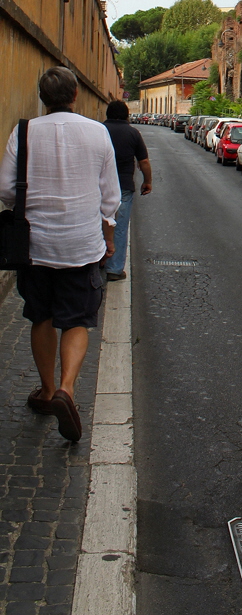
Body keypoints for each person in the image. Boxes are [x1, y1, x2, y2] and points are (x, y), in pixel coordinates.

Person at [0, 67, 120, 442]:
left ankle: (48, 390)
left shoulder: (24, 131)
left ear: (42, 98)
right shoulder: (97, 132)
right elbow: (110, 197)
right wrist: (109, 238)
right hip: (83, 246)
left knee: (41, 316)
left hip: (35, 247)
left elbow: (6, 190)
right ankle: (68, 388)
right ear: (75, 96)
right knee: (77, 320)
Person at [102, 100, 151, 280]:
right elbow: (144, 162)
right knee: (120, 227)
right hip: (123, 186)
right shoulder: (133, 133)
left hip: (99, 186)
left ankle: (96, 261)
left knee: (97, 223)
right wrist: (147, 181)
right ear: (126, 115)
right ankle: (114, 269)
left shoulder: (99, 130)